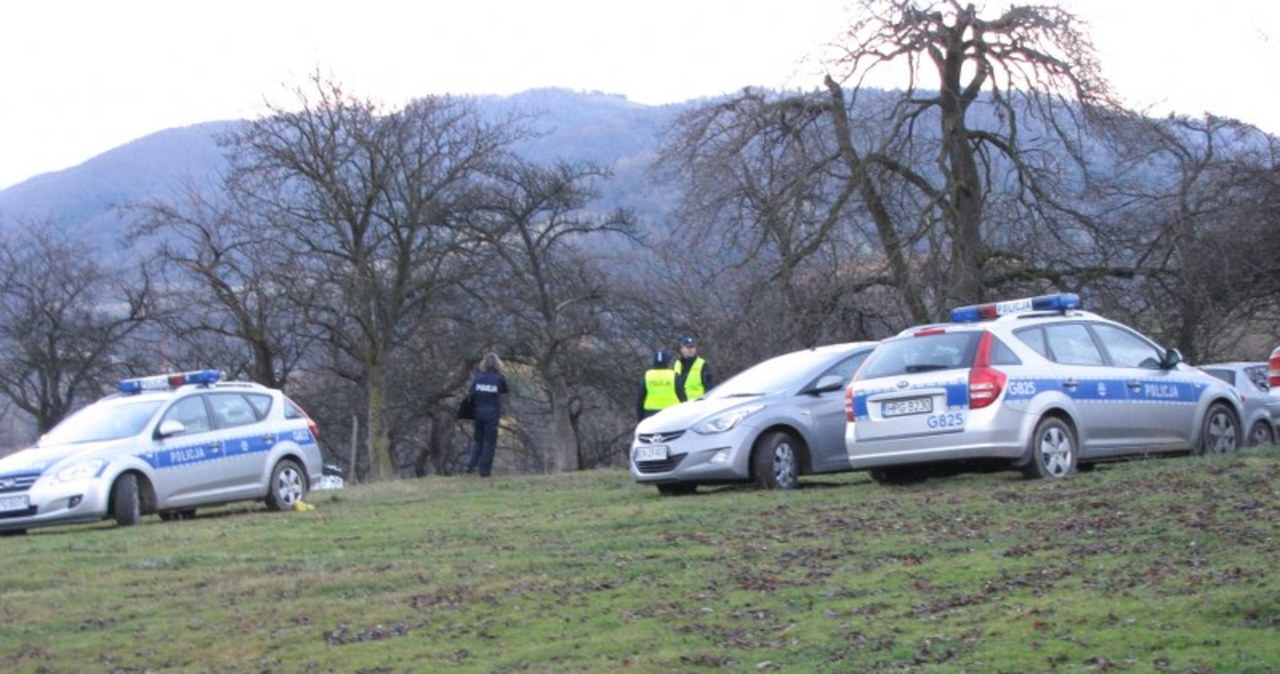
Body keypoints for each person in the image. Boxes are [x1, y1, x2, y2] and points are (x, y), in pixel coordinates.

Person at [463, 352, 509, 477]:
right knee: (489, 442)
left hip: (478, 413)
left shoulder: (478, 377)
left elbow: (471, 394)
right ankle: (485, 471)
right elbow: (504, 392)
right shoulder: (499, 378)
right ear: (497, 364)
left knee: (478, 440)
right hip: (492, 414)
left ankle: (470, 466)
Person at [636, 349, 679, 421]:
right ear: (667, 363)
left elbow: (640, 399)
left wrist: (640, 419)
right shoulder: (674, 375)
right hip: (672, 413)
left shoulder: (647, 376)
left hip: (650, 414)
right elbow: (683, 397)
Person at [674, 336, 714, 402]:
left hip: (697, 403)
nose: (690, 350)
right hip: (680, 404)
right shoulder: (677, 364)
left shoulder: (702, 364)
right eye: (688, 347)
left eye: (692, 347)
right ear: (682, 349)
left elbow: (709, 387)